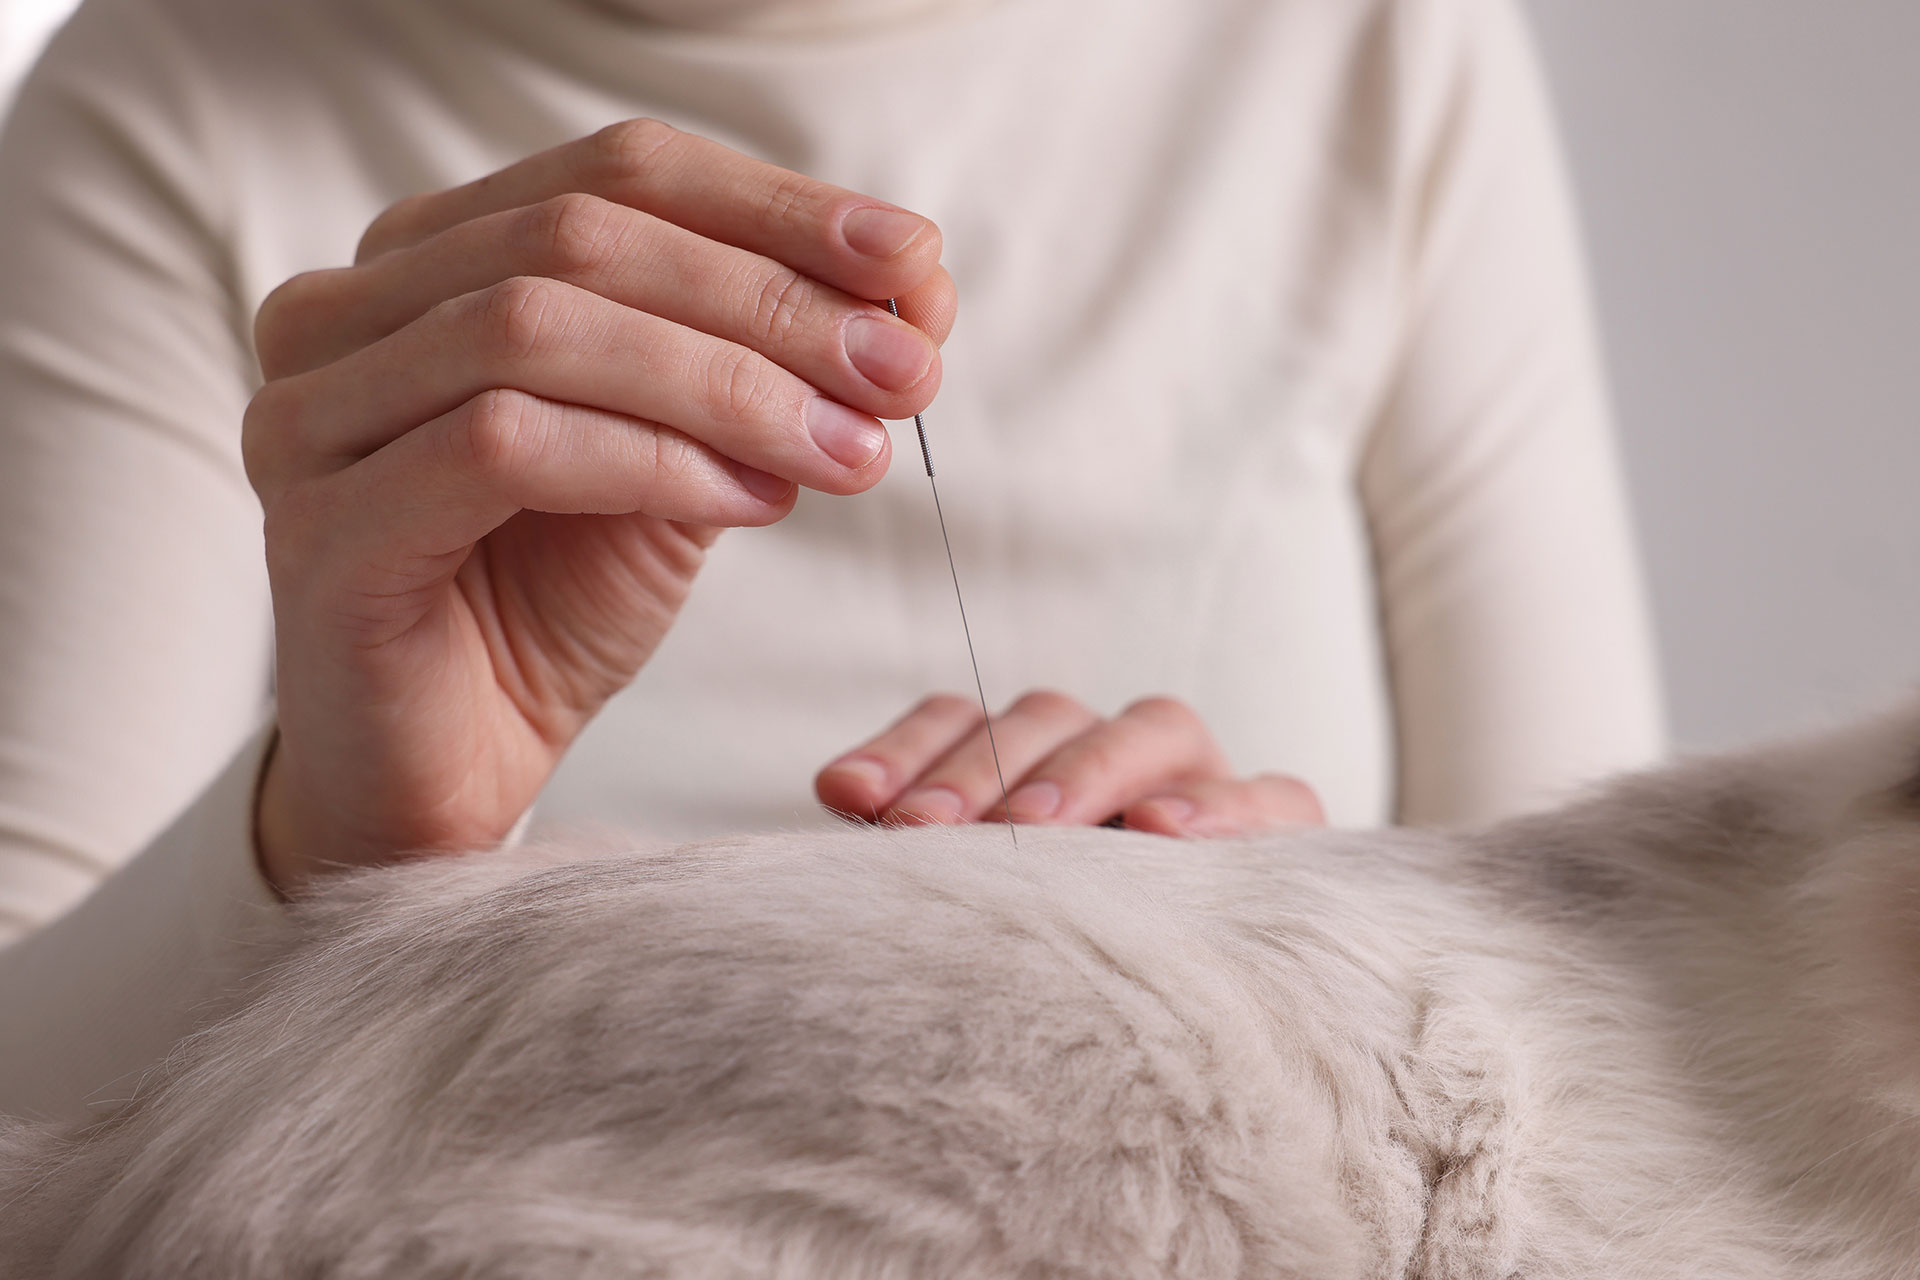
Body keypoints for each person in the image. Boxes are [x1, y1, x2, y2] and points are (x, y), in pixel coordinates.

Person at [0, 0, 1663, 1123]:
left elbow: (1632, 1050)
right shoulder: (183, 81)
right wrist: (348, 842)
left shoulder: (1363, 44)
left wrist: (1296, 963)